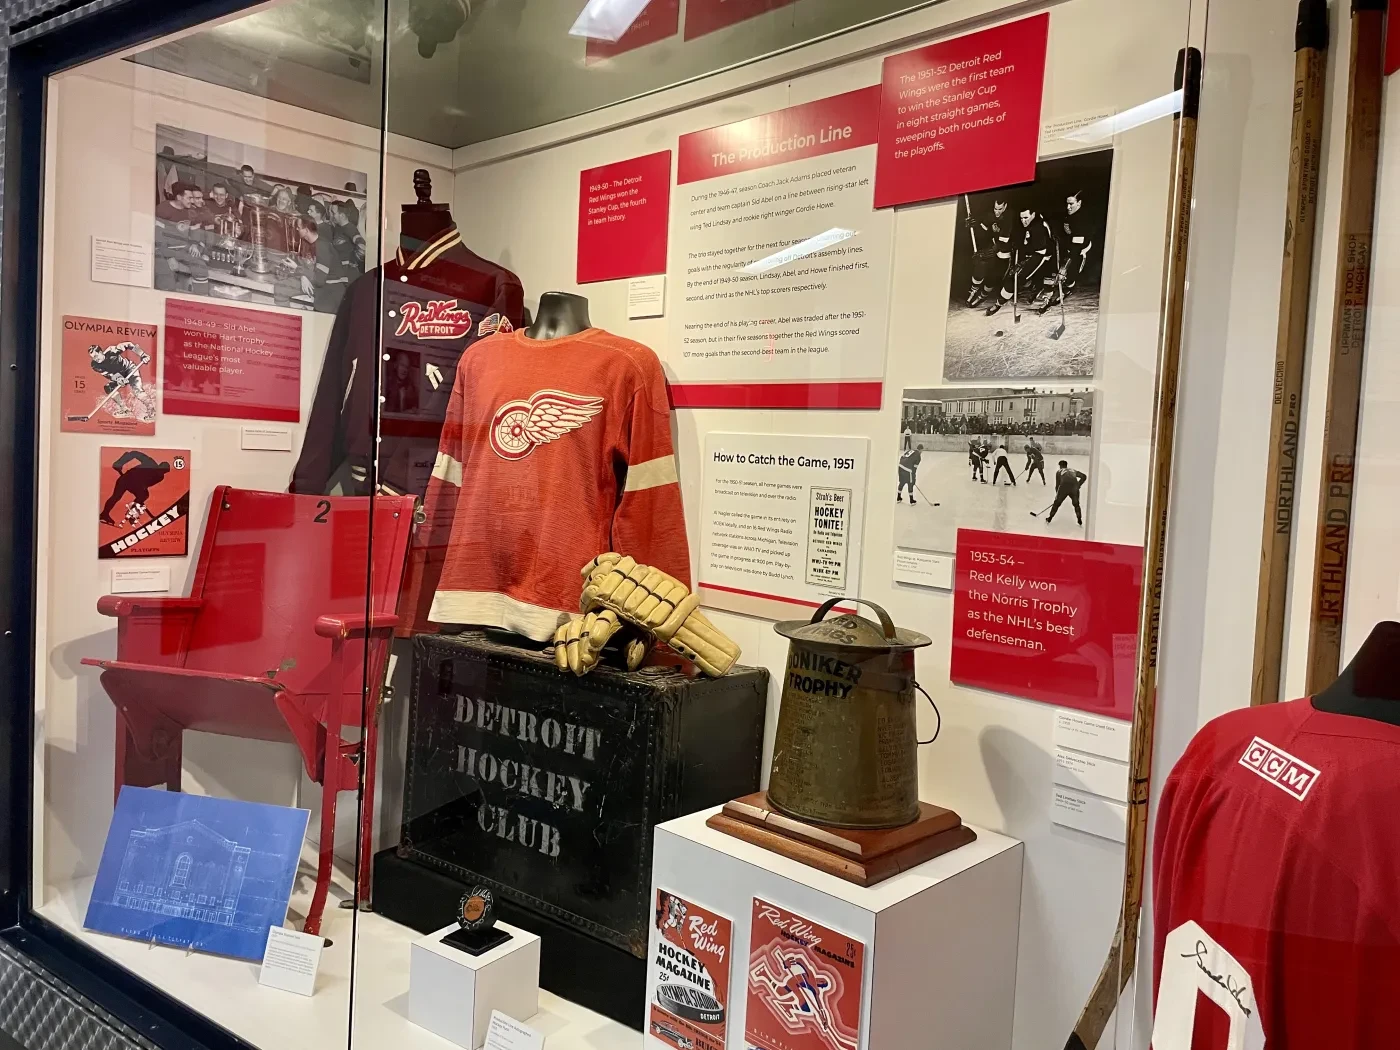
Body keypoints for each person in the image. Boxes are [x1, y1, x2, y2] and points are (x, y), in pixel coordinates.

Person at [986, 205, 1057, 317]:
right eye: (1021, 218)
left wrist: (1025, 261)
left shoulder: (1038, 228)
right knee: (1016, 275)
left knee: (1019, 277)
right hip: (1036, 253)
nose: (1023, 221)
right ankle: (1001, 302)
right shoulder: (1032, 223)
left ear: (1033, 215)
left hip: (1044, 255)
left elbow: (1040, 251)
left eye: (1026, 217)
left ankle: (1046, 299)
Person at [964, 196, 1014, 308]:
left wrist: (987, 253)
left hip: (1005, 253)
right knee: (980, 264)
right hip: (994, 249)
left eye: (1000, 209)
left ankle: (983, 295)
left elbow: (1002, 244)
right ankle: (973, 290)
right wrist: (973, 225)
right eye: (995, 208)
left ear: (1005, 207)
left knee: (993, 276)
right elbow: (982, 232)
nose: (997, 212)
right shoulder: (991, 216)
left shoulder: (1009, 218)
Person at [99, 450, 170, 526]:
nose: (161, 472)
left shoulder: (160, 477)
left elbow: (146, 484)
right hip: (127, 478)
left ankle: (131, 514)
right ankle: (104, 514)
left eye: (164, 472)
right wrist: (120, 462)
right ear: (159, 466)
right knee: (116, 496)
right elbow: (134, 453)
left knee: (144, 495)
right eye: (162, 470)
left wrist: (141, 492)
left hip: (136, 485)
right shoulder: (150, 463)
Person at [1046, 460, 1087, 525]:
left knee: (1056, 504)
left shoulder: (1059, 471)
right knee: (1076, 504)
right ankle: (1079, 519)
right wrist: (1078, 485)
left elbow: (1057, 485)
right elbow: (1084, 476)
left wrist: (1057, 497)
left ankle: (1050, 518)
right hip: (1074, 487)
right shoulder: (1073, 470)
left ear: (1060, 466)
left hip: (1064, 487)